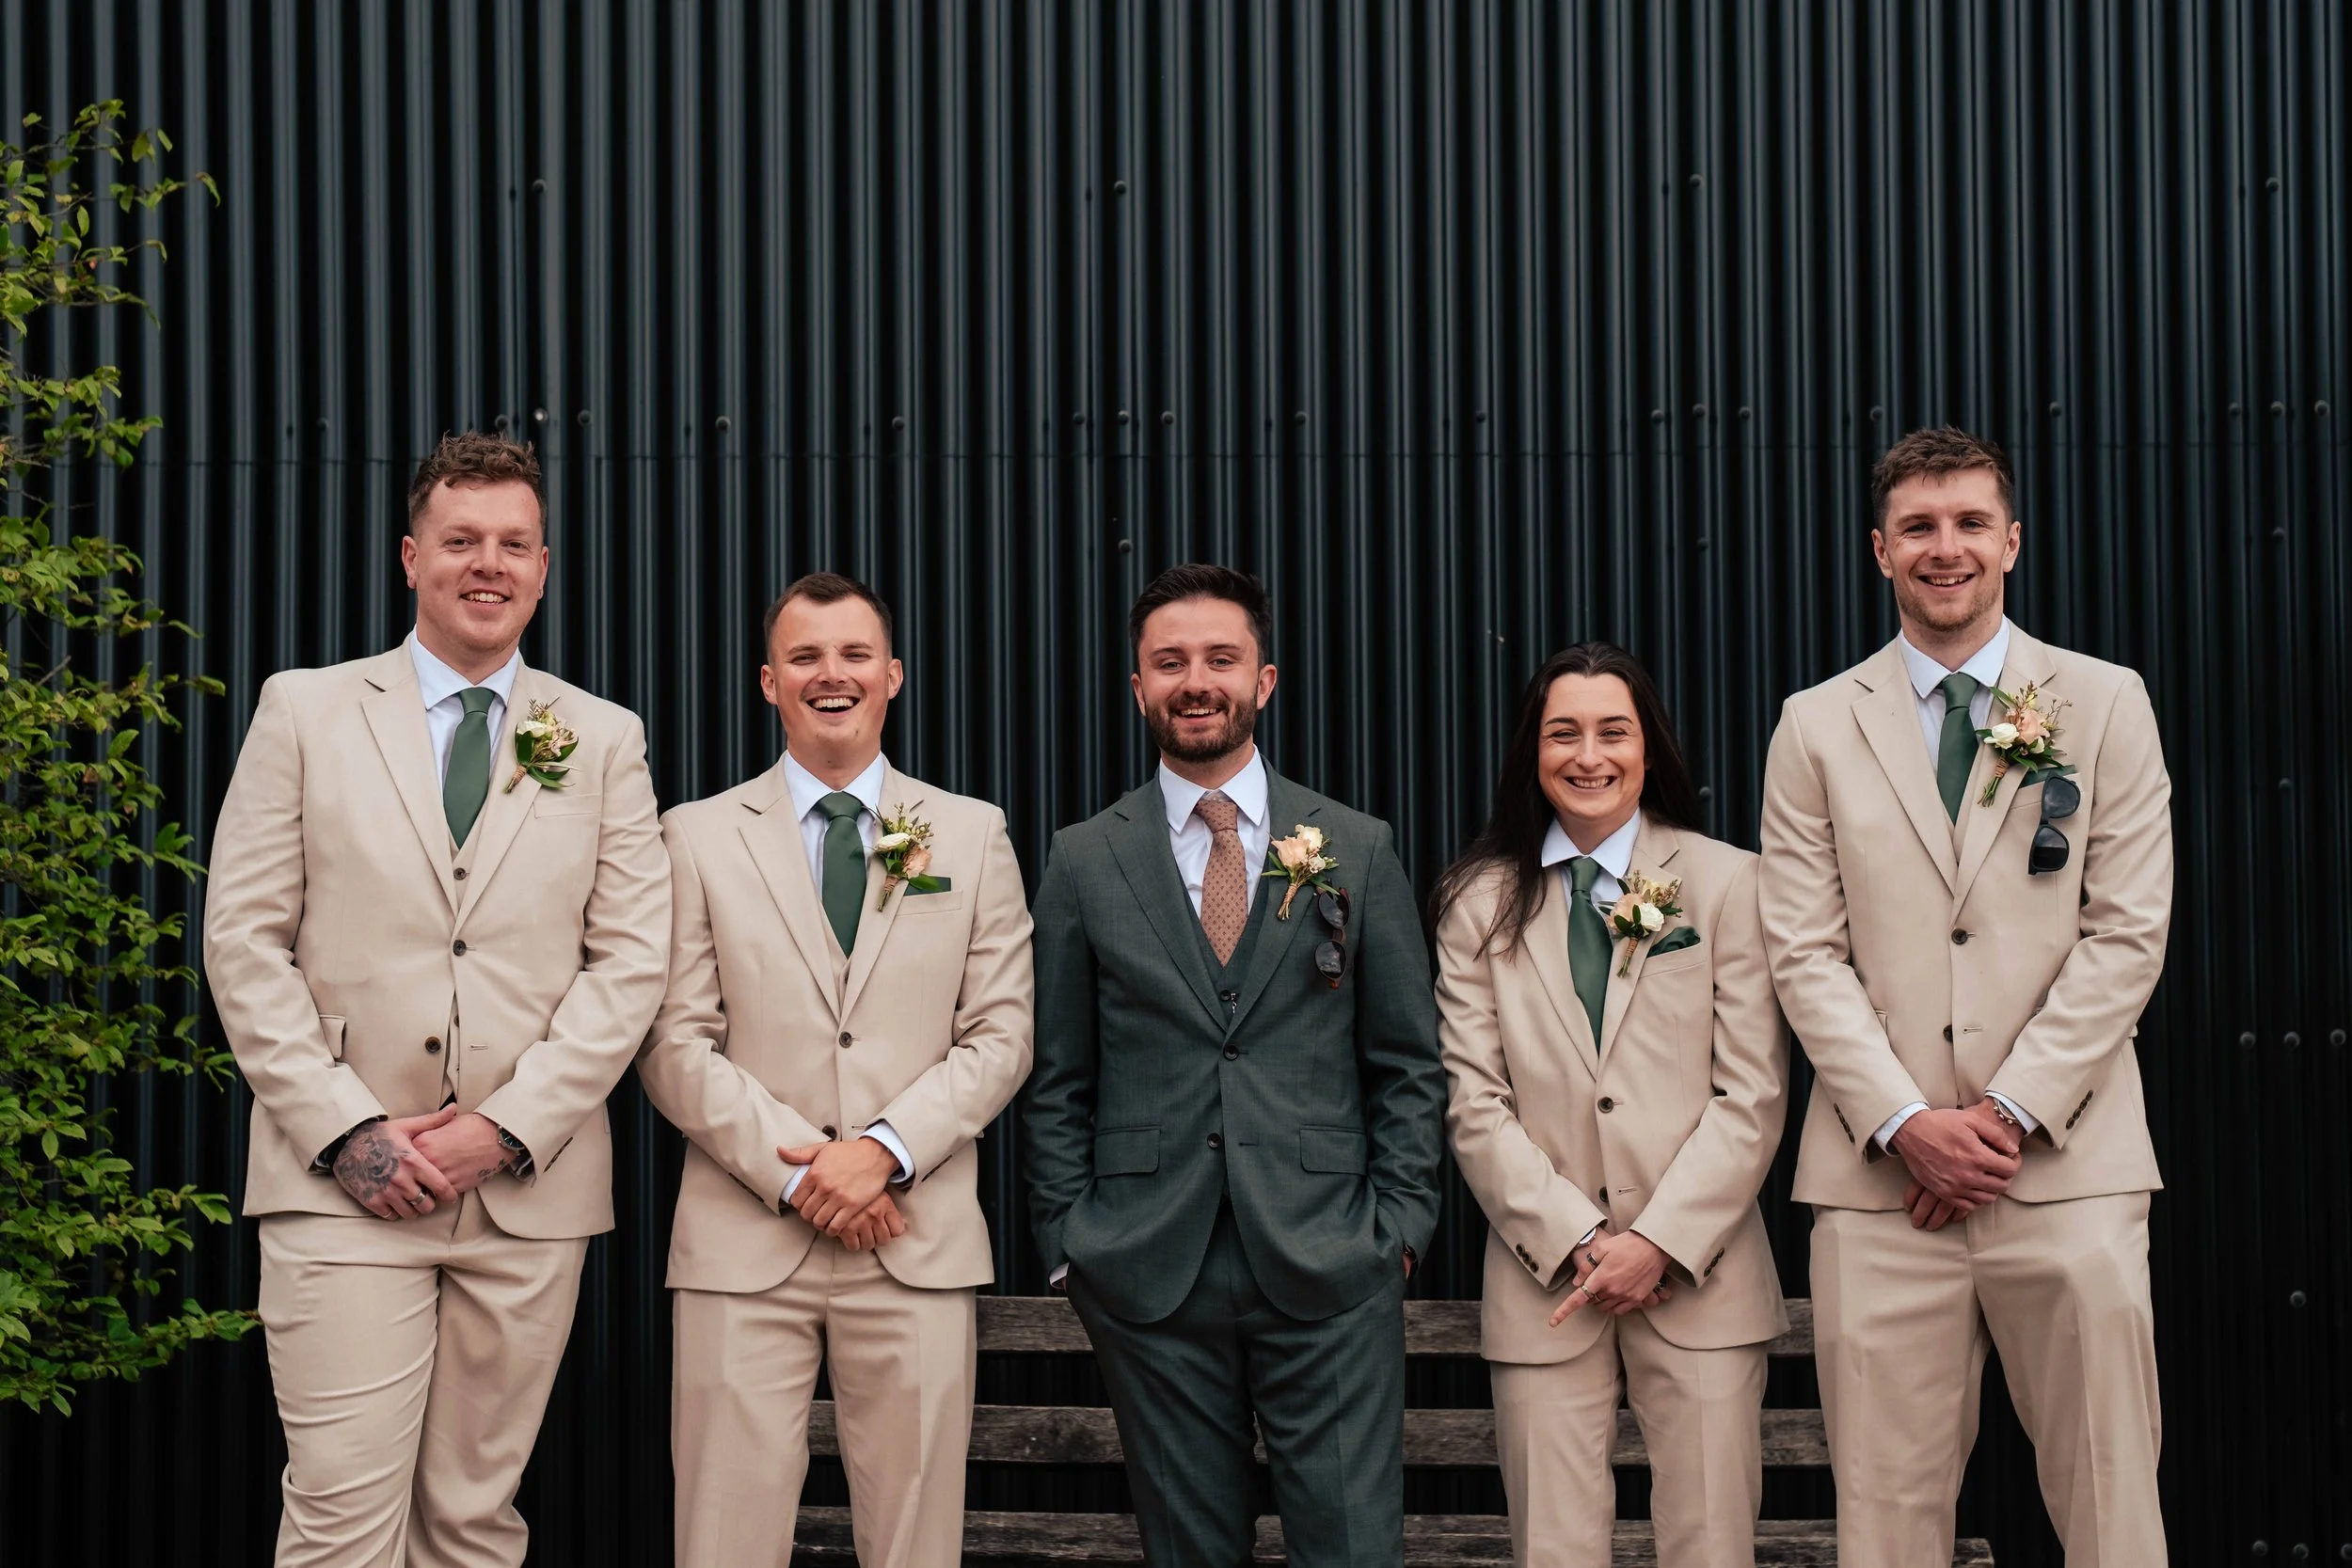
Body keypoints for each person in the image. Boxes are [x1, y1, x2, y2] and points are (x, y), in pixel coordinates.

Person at [202, 432, 671, 1566]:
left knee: (473, 1522)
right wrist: (345, 1129)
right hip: (344, 1187)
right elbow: (243, 938)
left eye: (513, 543)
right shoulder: (305, 710)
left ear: (544, 566)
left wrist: (504, 1127)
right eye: (461, 540)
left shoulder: (600, 737)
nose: (487, 564)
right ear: (412, 557)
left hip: (526, 1195)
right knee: (341, 1518)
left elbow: (631, 961)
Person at [1759, 426, 2172, 1565]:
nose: (1948, 548)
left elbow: (2127, 933)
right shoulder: (1814, 723)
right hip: (1878, 1192)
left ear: (2012, 541)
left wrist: (1999, 1119)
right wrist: (1904, 1124)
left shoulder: (2103, 701)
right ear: (1880, 550)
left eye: (1970, 523)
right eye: (1921, 528)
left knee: (2110, 1509)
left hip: (2069, 1171)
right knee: (1884, 1522)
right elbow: (1803, 949)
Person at [1021, 562, 1446, 1567]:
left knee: (1350, 1546)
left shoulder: (1355, 843)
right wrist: (1071, 1239)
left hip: (1331, 1258)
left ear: (1265, 680)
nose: (1194, 679)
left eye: (1220, 658)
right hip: (1145, 1268)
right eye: (1169, 662)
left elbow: (1406, 1063)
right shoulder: (1085, 858)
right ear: (1138, 687)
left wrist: (1397, 1233)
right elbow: (1055, 1071)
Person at [636, 572, 1034, 1567]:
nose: (832, 674)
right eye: (805, 656)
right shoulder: (694, 834)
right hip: (741, 1240)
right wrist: (807, 1169)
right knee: (722, 1542)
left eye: (854, 653)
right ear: (769, 682)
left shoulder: (972, 831)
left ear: (891, 674)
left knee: (915, 1545)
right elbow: (673, 1039)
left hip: (915, 1233)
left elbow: (1000, 1034)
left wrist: (885, 1152)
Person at [1434, 642, 1788, 1568]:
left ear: (1647, 745)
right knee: (1552, 1548)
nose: (1589, 755)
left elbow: (1751, 1090)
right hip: (1546, 1279)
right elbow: (1473, 1100)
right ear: (1532, 750)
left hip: (1700, 1279)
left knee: (1711, 1546)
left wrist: (1658, 1238)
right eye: (1564, 733)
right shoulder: (1476, 901)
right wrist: (1580, 1237)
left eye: (1612, 731)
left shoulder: (1727, 881)